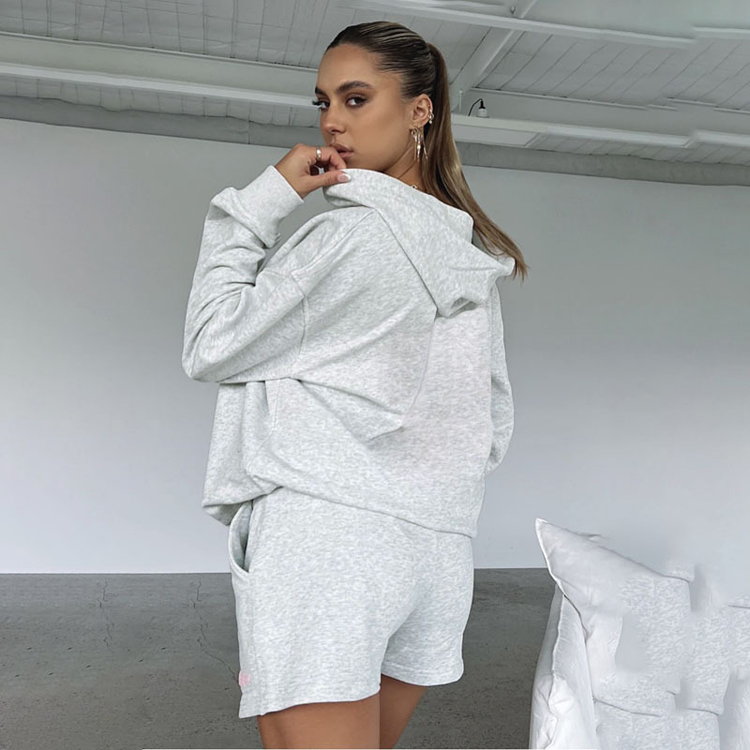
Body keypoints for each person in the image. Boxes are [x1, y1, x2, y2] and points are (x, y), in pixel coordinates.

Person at [181, 20, 528, 749]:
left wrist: (264, 198)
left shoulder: (351, 237)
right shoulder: (467, 257)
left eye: (356, 98)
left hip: (328, 539)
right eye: (323, 102)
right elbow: (492, 419)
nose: (332, 121)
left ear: (420, 109)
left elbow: (211, 342)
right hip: (437, 549)